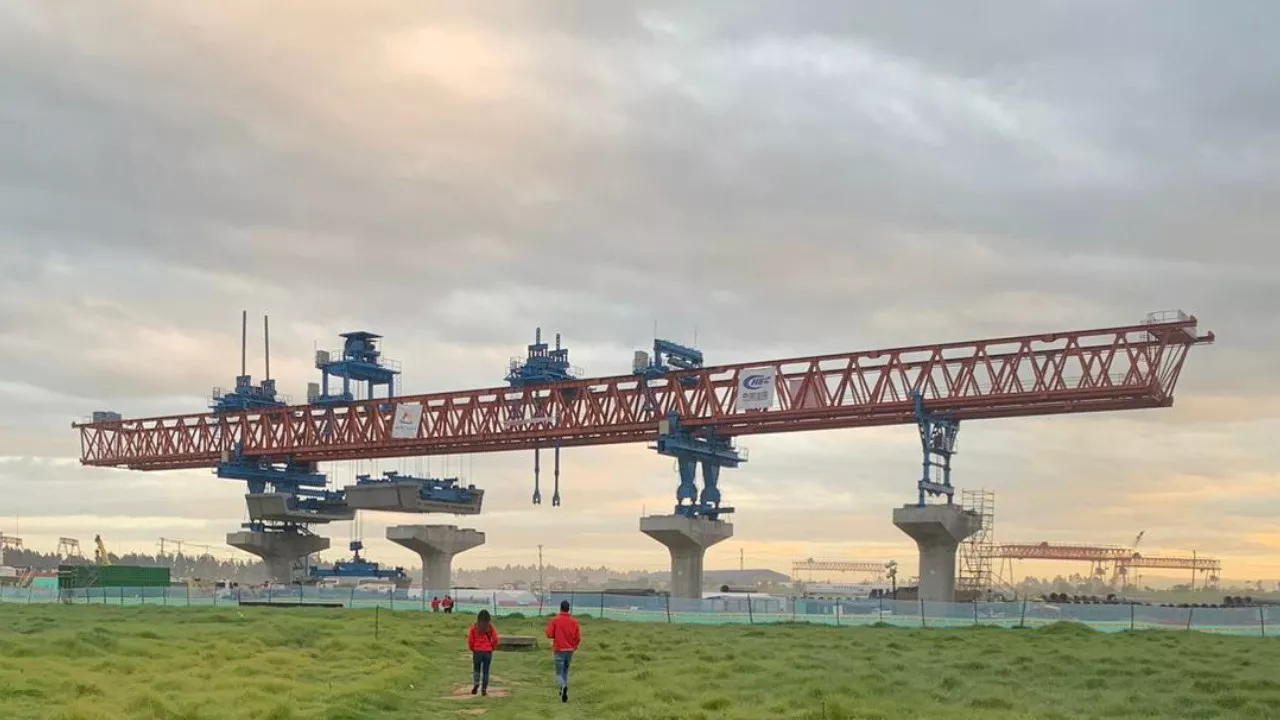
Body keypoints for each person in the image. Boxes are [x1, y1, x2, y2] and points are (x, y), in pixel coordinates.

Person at [544, 600, 581, 703]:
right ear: (569, 609)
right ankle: (564, 689)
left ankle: (563, 686)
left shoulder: (555, 620)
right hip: (570, 650)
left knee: (558, 673)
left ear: (560, 608)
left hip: (559, 649)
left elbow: (548, 634)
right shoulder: (574, 622)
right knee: (565, 671)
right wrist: (575, 646)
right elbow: (578, 637)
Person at [467, 609, 500, 696]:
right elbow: (496, 639)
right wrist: (492, 647)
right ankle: (484, 689)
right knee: (486, 671)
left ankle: (476, 683)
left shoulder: (474, 627)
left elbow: (470, 640)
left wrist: (472, 648)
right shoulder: (490, 627)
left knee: (476, 669)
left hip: (477, 651)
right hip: (488, 651)